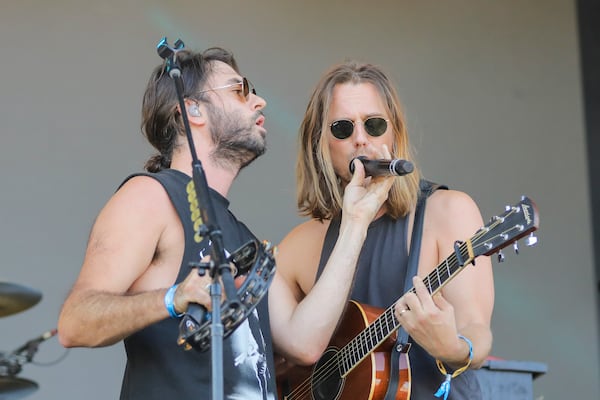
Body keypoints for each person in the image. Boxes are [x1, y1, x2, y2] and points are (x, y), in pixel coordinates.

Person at [56, 47, 395, 400]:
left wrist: (357, 220)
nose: (259, 101)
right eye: (239, 90)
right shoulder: (150, 197)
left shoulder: (242, 240)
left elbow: (304, 343)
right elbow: (75, 322)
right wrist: (175, 298)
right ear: (192, 109)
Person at [275, 60, 495, 399]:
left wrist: (453, 347)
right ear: (320, 143)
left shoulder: (449, 211)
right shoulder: (300, 246)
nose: (361, 139)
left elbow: (476, 330)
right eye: (343, 129)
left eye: (374, 125)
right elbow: (277, 359)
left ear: (394, 134)